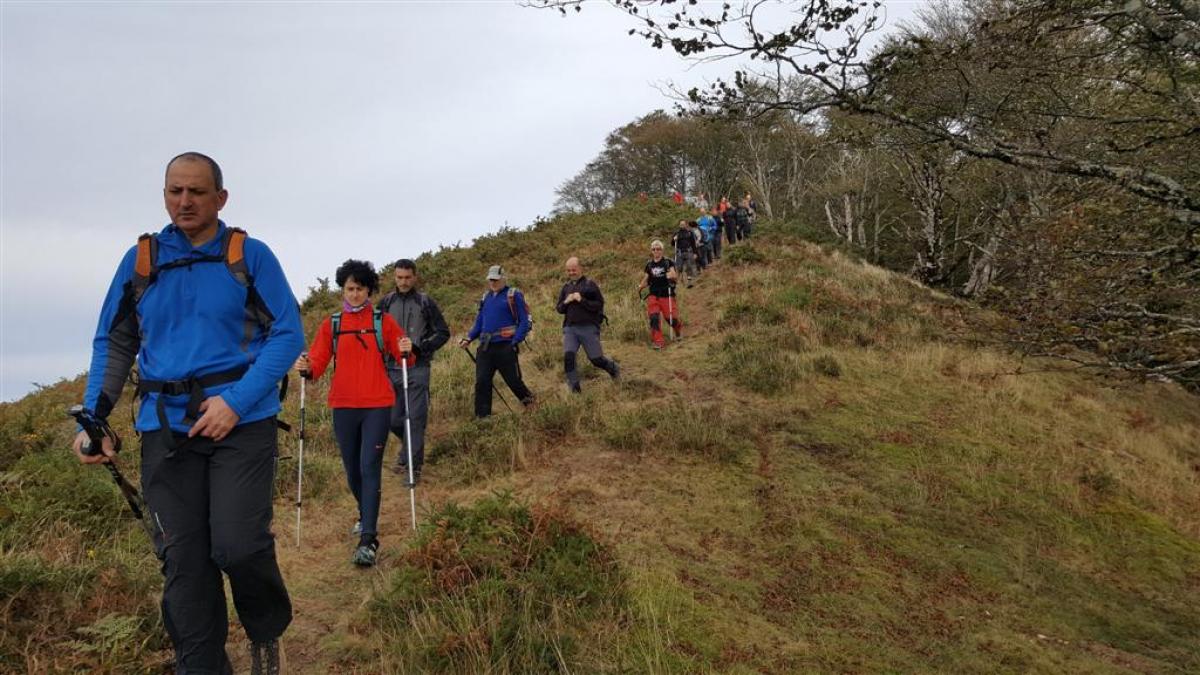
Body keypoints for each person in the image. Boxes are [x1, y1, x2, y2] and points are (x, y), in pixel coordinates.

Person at [75, 152, 304, 674]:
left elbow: (287, 333)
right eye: (175, 191)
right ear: (163, 195)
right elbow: (114, 341)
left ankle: (264, 630)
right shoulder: (141, 262)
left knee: (239, 547)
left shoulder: (249, 255)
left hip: (242, 424)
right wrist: (95, 418)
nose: (185, 201)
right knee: (184, 561)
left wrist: (236, 402)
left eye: (197, 192)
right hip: (164, 428)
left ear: (220, 198)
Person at [295, 260, 414, 568]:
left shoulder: (383, 321)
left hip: (377, 404)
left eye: (360, 289)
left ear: (369, 290)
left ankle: (369, 539)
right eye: (350, 289)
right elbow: (318, 364)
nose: (355, 294)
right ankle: (365, 514)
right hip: (344, 406)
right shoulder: (332, 324)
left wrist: (405, 348)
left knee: (369, 466)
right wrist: (307, 369)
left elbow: (406, 357)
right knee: (352, 471)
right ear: (342, 290)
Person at [378, 259, 450, 482]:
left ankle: (413, 468)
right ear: (394, 277)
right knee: (393, 420)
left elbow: (443, 333)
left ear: (415, 277)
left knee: (415, 419)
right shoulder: (386, 303)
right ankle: (408, 451)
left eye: (408, 277)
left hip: (418, 368)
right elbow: (376, 335)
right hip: (391, 368)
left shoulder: (425, 302)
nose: (404, 282)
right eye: (399, 277)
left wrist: (420, 348)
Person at [458, 265, 535, 418]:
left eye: (495, 279)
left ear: (503, 279)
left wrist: (514, 342)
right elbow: (480, 321)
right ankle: (483, 418)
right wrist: (469, 338)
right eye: (490, 279)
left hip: (505, 345)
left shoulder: (513, 295)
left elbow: (524, 322)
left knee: (513, 380)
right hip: (485, 347)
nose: (492, 282)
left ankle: (531, 404)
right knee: (482, 381)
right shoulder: (486, 297)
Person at [555, 256, 620, 392]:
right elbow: (560, 309)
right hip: (570, 328)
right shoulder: (566, 287)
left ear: (580, 269)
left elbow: (598, 305)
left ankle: (613, 368)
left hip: (588, 327)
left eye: (574, 269)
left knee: (596, 359)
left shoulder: (590, 285)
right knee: (569, 357)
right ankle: (575, 389)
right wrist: (566, 301)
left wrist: (581, 300)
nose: (571, 272)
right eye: (568, 270)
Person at [638, 240, 681, 349]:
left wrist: (670, 276)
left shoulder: (668, 262)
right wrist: (640, 286)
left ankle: (678, 331)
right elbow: (647, 278)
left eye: (658, 249)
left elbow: (674, 276)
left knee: (671, 319)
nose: (656, 251)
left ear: (662, 250)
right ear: (651, 251)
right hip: (653, 295)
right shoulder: (649, 264)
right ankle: (658, 342)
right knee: (654, 318)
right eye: (654, 249)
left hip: (667, 295)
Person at [671, 219, 699, 288]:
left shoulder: (690, 232)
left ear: (686, 225)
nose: (682, 225)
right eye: (681, 224)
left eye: (683, 224)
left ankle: (689, 282)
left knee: (689, 267)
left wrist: (695, 253)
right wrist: (674, 239)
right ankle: (677, 283)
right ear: (679, 225)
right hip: (679, 252)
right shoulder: (676, 233)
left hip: (688, 251)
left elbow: (693, 243)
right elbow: (672, 243)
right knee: (679, 268)